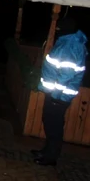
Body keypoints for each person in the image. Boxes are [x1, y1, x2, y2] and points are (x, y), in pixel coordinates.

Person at [34, 19, 88, 166]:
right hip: (55, 94)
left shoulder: (70, 45)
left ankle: (51, 157)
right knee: (50, 122)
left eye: (58, 27)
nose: (56, 30)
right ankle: (46, 151)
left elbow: (66, 76)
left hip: (59, 96)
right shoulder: (67, 42)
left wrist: (56, 97)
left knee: (54, 126)